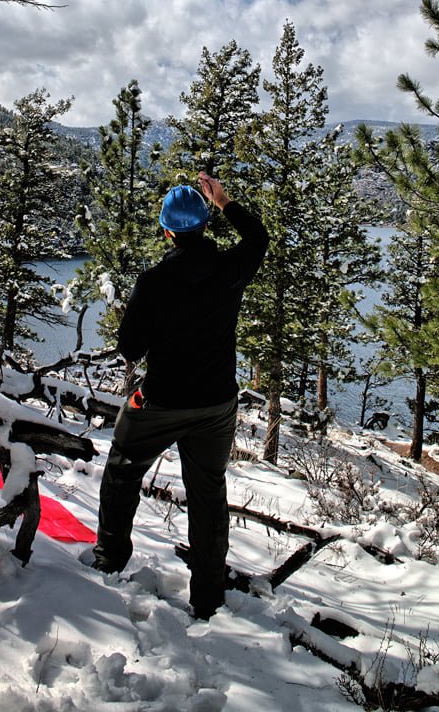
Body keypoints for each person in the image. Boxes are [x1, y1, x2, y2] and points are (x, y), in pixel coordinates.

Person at [92, 171, 268, 619]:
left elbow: (130, 347)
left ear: (167, 229)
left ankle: (110, 559)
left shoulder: (154, 281)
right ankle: (208, 598)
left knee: (122, 470)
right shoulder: (231, 268)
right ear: (205, 225)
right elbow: (258, 236)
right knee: (207, 494)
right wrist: (225, 200)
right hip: (216, 405)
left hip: (161, 402)